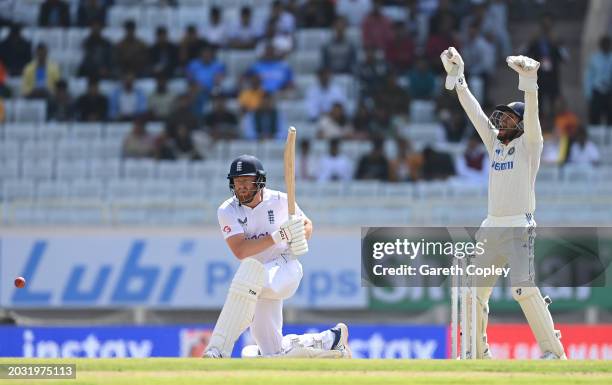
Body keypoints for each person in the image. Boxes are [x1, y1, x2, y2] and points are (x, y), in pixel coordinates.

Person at [441, 47, 566, 359]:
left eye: (511, 118)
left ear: (521, 124)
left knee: (523, 289)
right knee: (472, 292)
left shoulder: (530, 145)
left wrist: (529, 81)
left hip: (519, 226)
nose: (503, 122)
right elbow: (475, 114)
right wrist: (459, 79)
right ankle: (474, 352)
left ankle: (553, 352)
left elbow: (534, 118)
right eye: (504, 117)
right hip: (491, 226)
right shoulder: (494, 143)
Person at [204, 155, 351, 359]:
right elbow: (240, 251)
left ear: (260, 181)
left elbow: (307, 225)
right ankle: (330, 340)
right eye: (237, 182)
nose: (241, 187)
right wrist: (279, 235)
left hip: (285, 269)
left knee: (248, 276)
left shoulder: (281, 200)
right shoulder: (227, 210)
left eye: (246, 180)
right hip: (256, 283)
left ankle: (217, 350)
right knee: (270, 352)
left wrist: (300, 234)